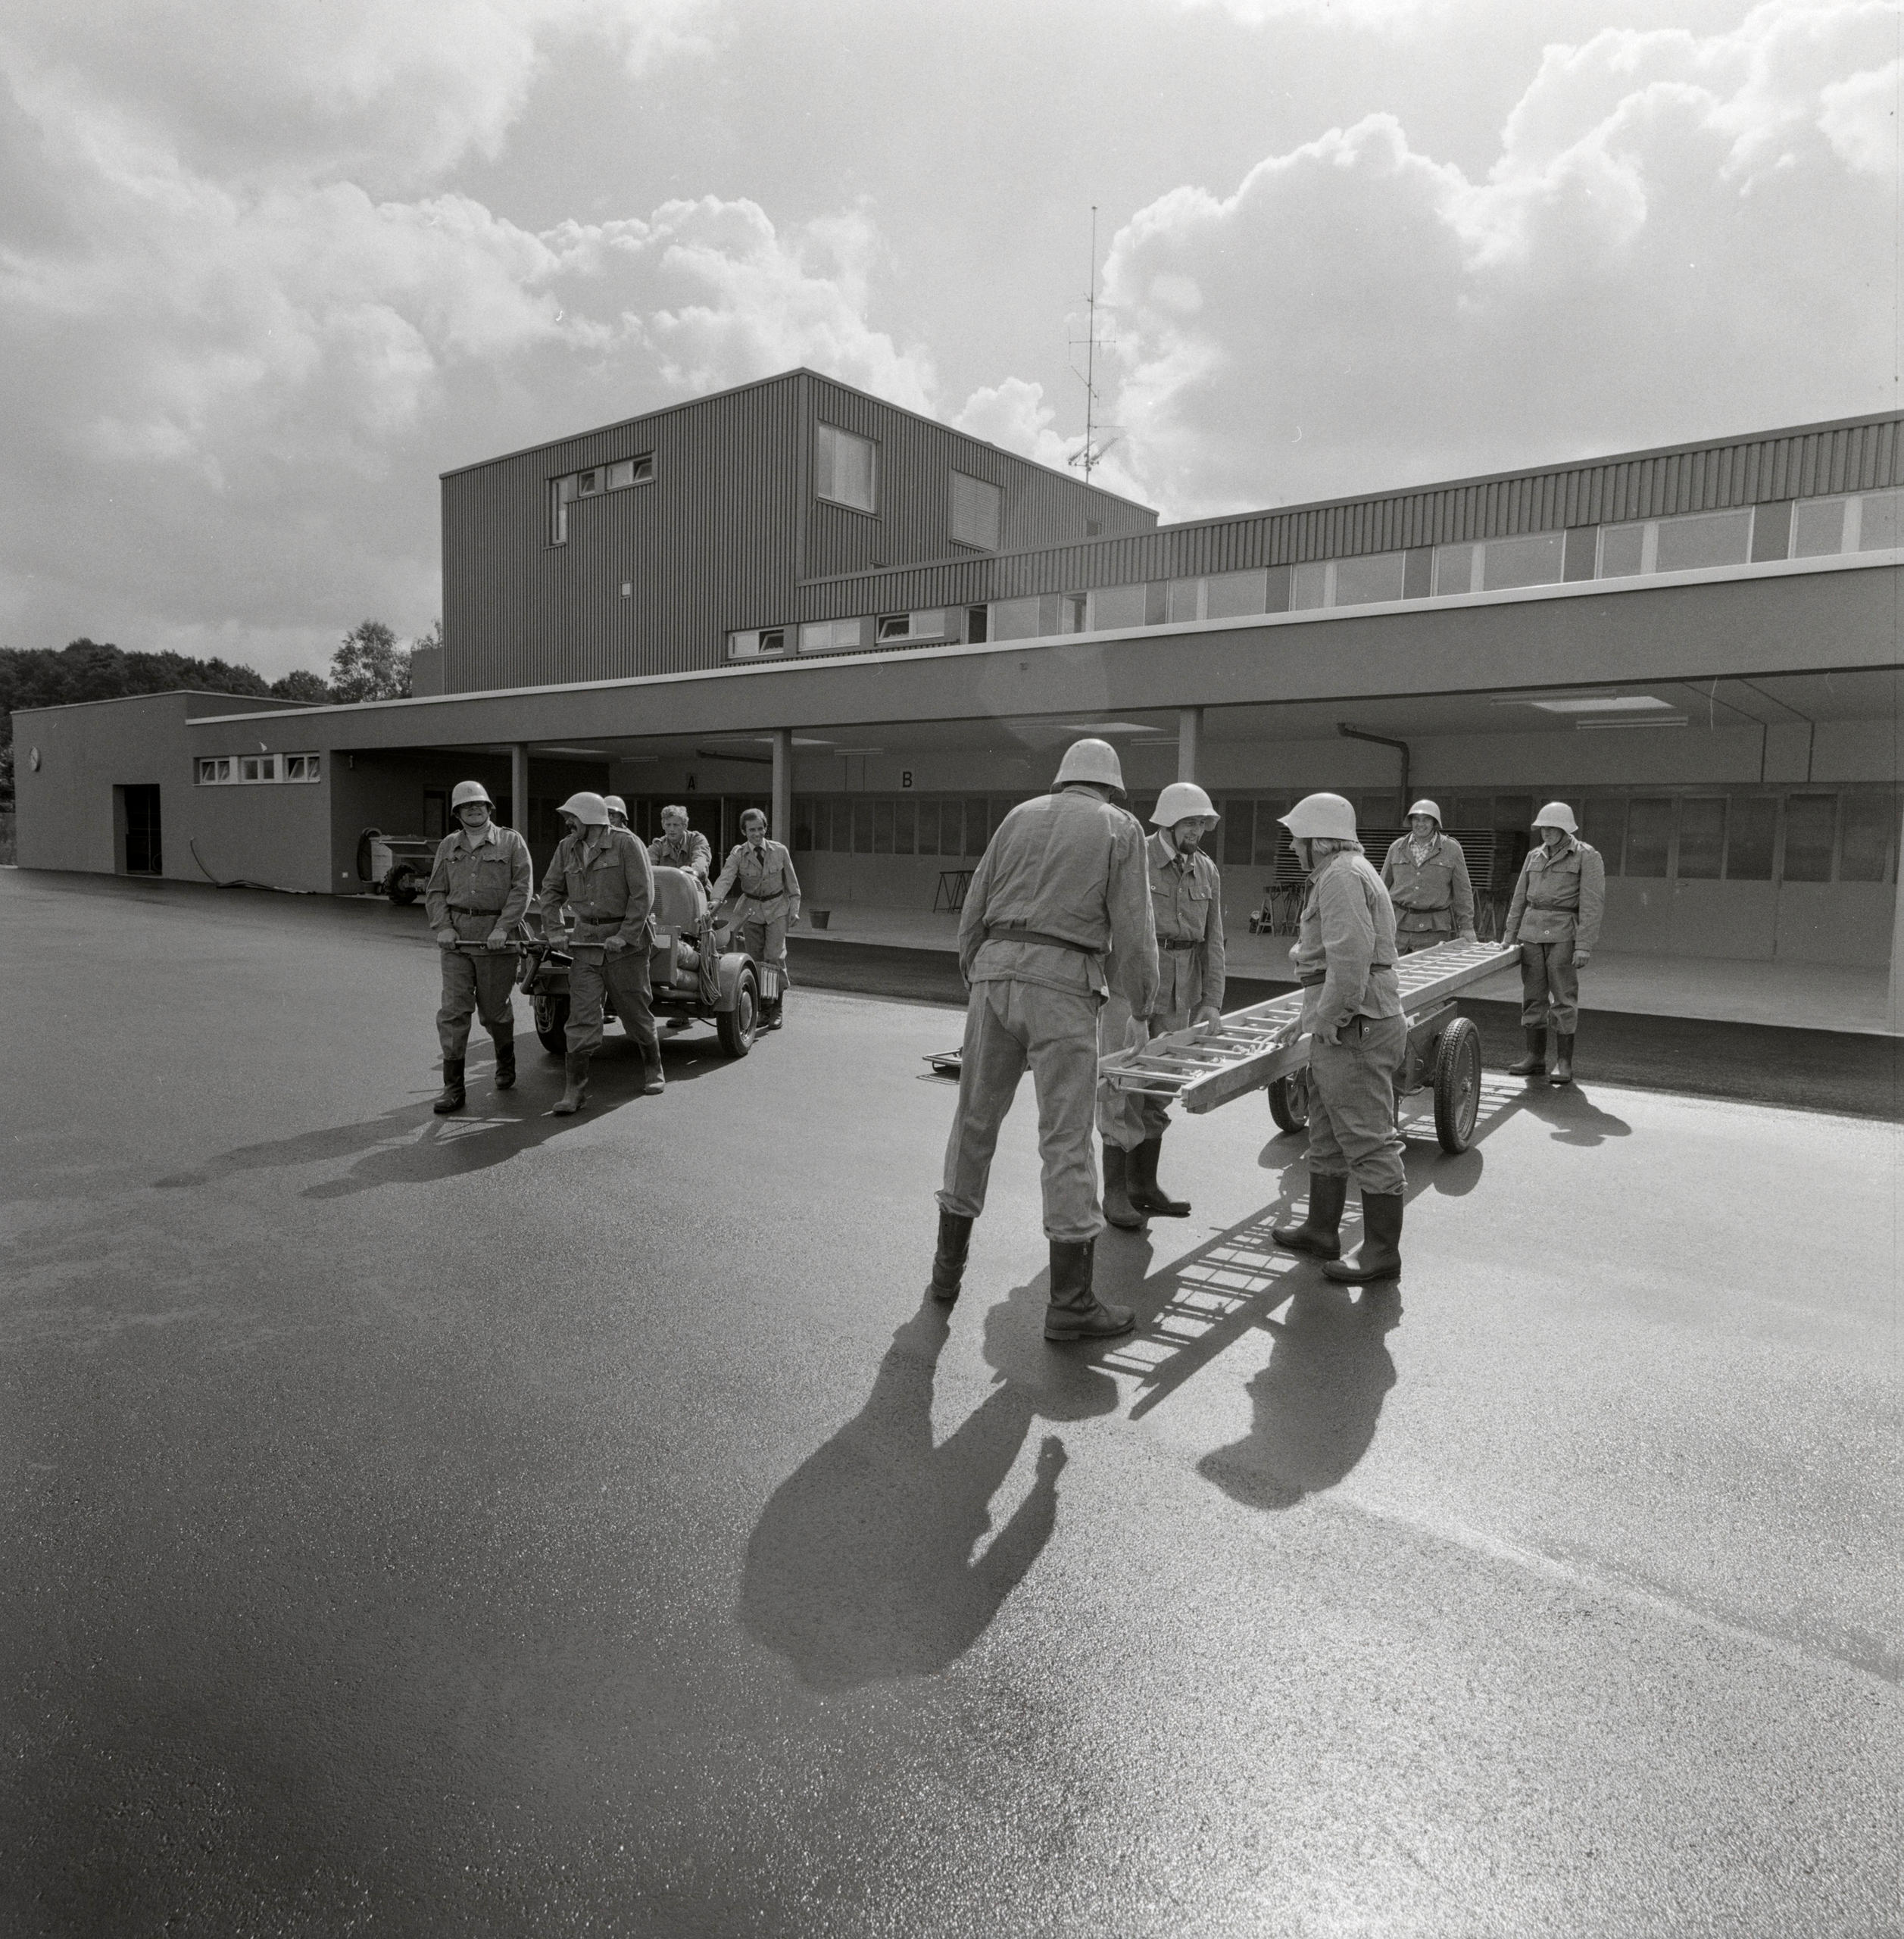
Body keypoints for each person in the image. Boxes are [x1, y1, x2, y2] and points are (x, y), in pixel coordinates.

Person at [931, 738, 1159, 1342]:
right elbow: (1133, 925)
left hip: (994, 975)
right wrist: (1141, 1004)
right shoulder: (1120, 828)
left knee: (973, 1123)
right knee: (1065, 1139)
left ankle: (945, 1277)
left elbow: (974, 907)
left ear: (1062, 780)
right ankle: (1070, 1301)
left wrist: (978, 971)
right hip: (1063, 985)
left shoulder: (1017, 816)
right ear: (1110, 786)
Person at [1269, 792, 1406, 1284]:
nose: (1290, 847)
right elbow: (1331, 967)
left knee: (1369, 1142)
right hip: (1348, 1021)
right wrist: (1309, 1019)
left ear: (1317, 841)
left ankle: (1381, 1254)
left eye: (1296, 838)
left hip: (1357, 1026)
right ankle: (1322, 1230)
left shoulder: (1342, 877)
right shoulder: (1341, 872)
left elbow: (1349, 962)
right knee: (1325, 1132)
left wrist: (1326, 1019)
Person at [1097, 780, 1226, 1229]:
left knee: (1161, 1086)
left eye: (1203, 824)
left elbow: (1214, 939)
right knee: (1121, 1082)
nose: (1198, 831)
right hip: (1130, 983)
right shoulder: (1136, 859)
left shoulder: (1205, 870)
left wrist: (1211, 1001)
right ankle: (1113, 1193)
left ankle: (1143, 1186)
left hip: (1181, 988)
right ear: (1168, 821)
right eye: (1191, 822)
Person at [535, 791, 665, 1113]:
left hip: (625, 947)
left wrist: (626, 934)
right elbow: (550, 891)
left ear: (591, 819)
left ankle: (653, 1067)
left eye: (572, 817)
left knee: (634, 1011)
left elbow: (643, 894)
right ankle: (575, 1090)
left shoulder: (626, 844)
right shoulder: (566, 848)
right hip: (586, 944)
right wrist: (553, 931)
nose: (567, 823)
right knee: (581, 1016)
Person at [423, 780, 533, 1114]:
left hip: (496, 940)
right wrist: (442, 927)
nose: (474, 809)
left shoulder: (511, 842)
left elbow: (522, 888)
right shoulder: (448, 846)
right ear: (457, 813)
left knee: (494, 1012)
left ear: (489, 809)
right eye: (467, 806)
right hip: (457, 941)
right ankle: (453, 1088)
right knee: (453, 1013)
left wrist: (503, 927)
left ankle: (505, 1061)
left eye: (480, 805)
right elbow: (436, 891)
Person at [1502, 801, 1604, 1087]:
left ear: (1564, 828)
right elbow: (1520, 896)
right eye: (1543, 828)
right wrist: (1510, 935)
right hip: (1531, 933)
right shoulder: (1534, 856)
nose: (1545, 832)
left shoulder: (1586, 856)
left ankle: (1564, 1062)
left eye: (1551, 828)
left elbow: (1592, 904)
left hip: (1563, 933)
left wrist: (1583, 944)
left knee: (1563, 998)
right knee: (1533, 997)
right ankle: (1534, 1057)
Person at [708, 809, 801, 1029]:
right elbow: (726, 878)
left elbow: (793, 885)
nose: (757, 834)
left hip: (777, 908)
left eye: (760, 829)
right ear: (744, 831)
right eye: (752, 830)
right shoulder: (739, 854)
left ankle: (777, 1008)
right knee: (756, 959)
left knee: (774, 957)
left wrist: (794, 910)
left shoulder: (779, 851)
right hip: (751, 910)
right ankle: (763, 1009)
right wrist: (715, 901)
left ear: (766, 828)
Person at [1380, 800, 1476, 954]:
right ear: (1410, 821)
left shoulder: (1451, 849)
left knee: (1428, 976)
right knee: (1392, 974)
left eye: (1426, 820)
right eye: (1416, 820)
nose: (1421, 824)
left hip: (1433, 930)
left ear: (1434, 823)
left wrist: (1466, 927)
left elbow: (1462, 892)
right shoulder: (1397, 847)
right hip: (1398, 928)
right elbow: (1382, 888)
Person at [649, 804, 713, 884]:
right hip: (667, 891)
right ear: (663, 826)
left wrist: (693, 871)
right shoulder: (658, 845)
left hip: (695, 889)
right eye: (668, 825)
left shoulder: (697, 840)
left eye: (676, 825)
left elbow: (701, 860)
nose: (672, 829)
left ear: (685, 826)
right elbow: (647, 867)